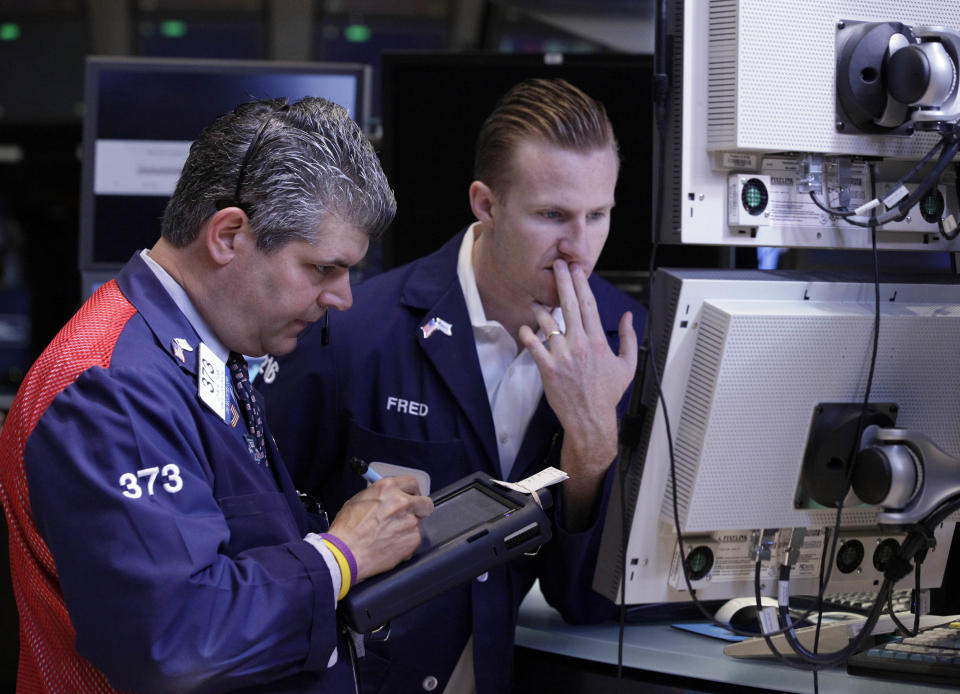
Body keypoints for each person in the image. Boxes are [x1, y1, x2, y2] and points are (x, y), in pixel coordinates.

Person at [0, 96, 434, 693]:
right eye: (322, 269)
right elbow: (175, 641)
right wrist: (340, 555)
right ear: (228, 235)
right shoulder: (111, 390)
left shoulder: (201, 341)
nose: (343, 299)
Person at [257, 78, 645, 694]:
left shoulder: (627, 343)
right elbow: (264, 540)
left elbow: (588, 601)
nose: (579, 248)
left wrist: (592, 437)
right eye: (551, 215)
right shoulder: (354, 329)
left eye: (598, 215)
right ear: (485, 204)